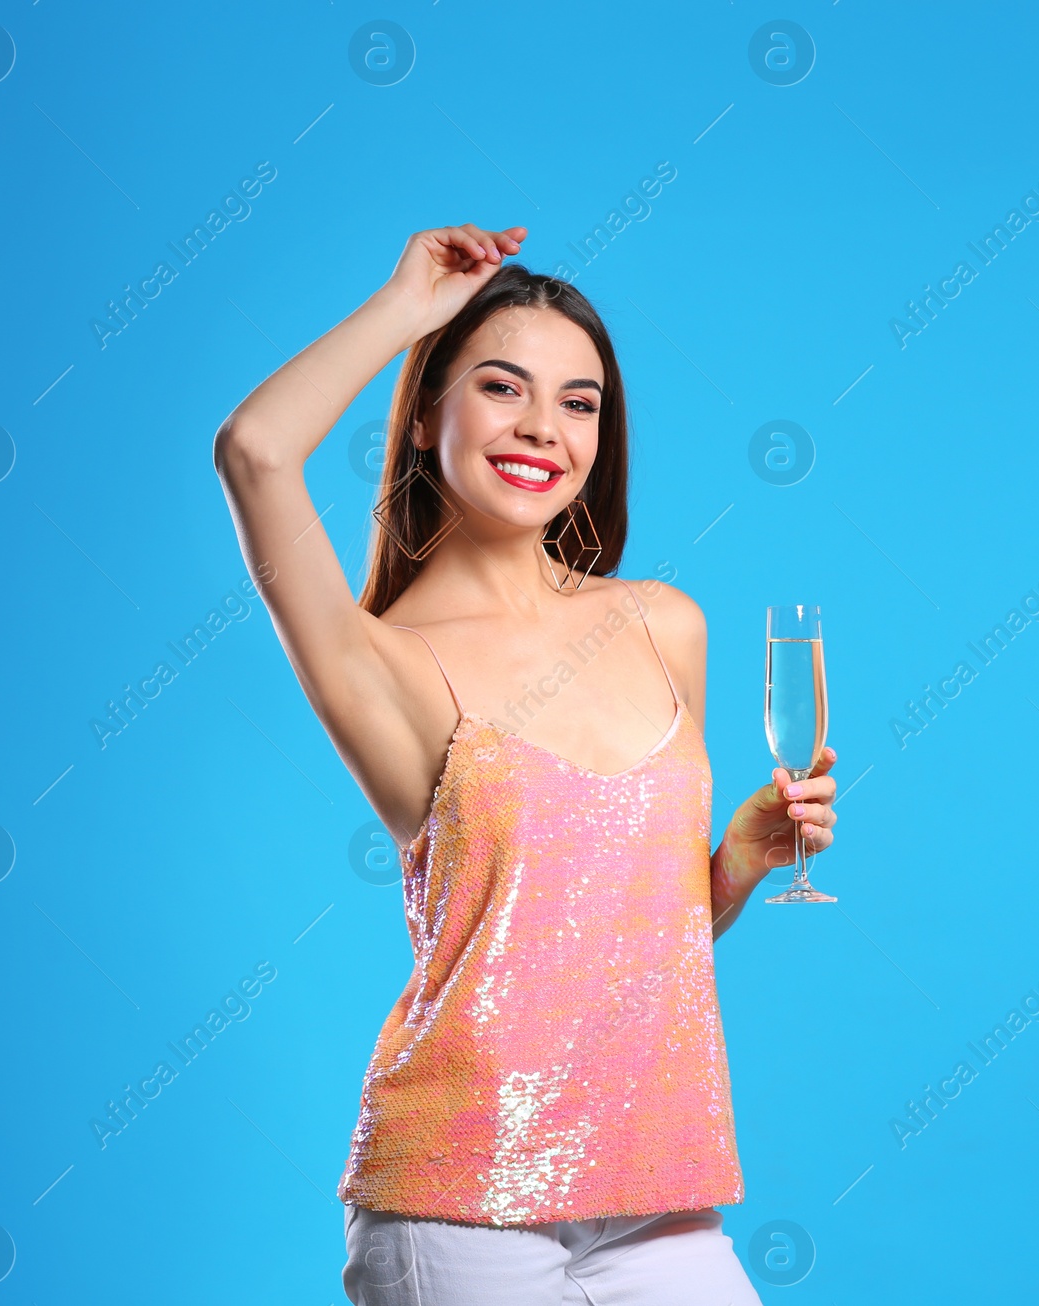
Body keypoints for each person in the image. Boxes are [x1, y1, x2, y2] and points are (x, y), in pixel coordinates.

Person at [213, 223, 839, 1305]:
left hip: (658, 1191)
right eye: (502, 388)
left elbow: (628, 937)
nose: (542, 428)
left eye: (579, 401)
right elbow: (255, 449)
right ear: (422, 419)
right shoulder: (382, 661)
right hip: (459, 1201)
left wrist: (733, 862)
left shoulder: (662, 623)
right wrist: (408, 308)